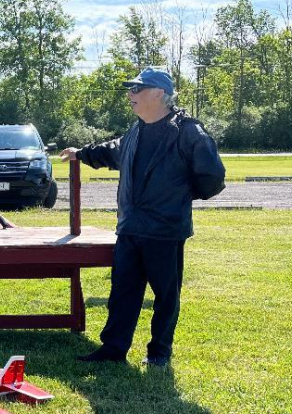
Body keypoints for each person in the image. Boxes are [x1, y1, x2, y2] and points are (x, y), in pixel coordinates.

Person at [60, 66, 226, 367]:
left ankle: (159, 353)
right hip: (130, 229)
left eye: (137, 89)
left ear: (160, 93)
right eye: (130, 89)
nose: (130, 94)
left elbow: (212, 176)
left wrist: (180, 197)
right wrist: (81, 153)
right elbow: (112, 151)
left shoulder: (189, 132)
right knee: (122, 292)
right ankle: (113, 350)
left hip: (165, 231)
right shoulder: (136, 131)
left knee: (165, 297)